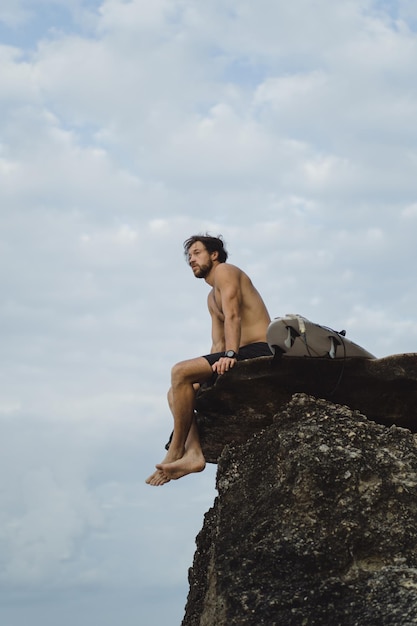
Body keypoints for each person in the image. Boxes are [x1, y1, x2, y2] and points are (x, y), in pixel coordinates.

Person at [146, 235, 272, 487]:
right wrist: (206, 377)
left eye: (196, 252)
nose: (191, 259)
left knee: (179, 370)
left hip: (260, 350)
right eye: (189, 256)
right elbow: (217, 345)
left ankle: (176, 450)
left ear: (214, 255)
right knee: (177, 391)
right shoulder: (210, 298)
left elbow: (234, 313)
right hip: (235, 353)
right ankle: (194, 455)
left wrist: (231, 355)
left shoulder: (226, 271)